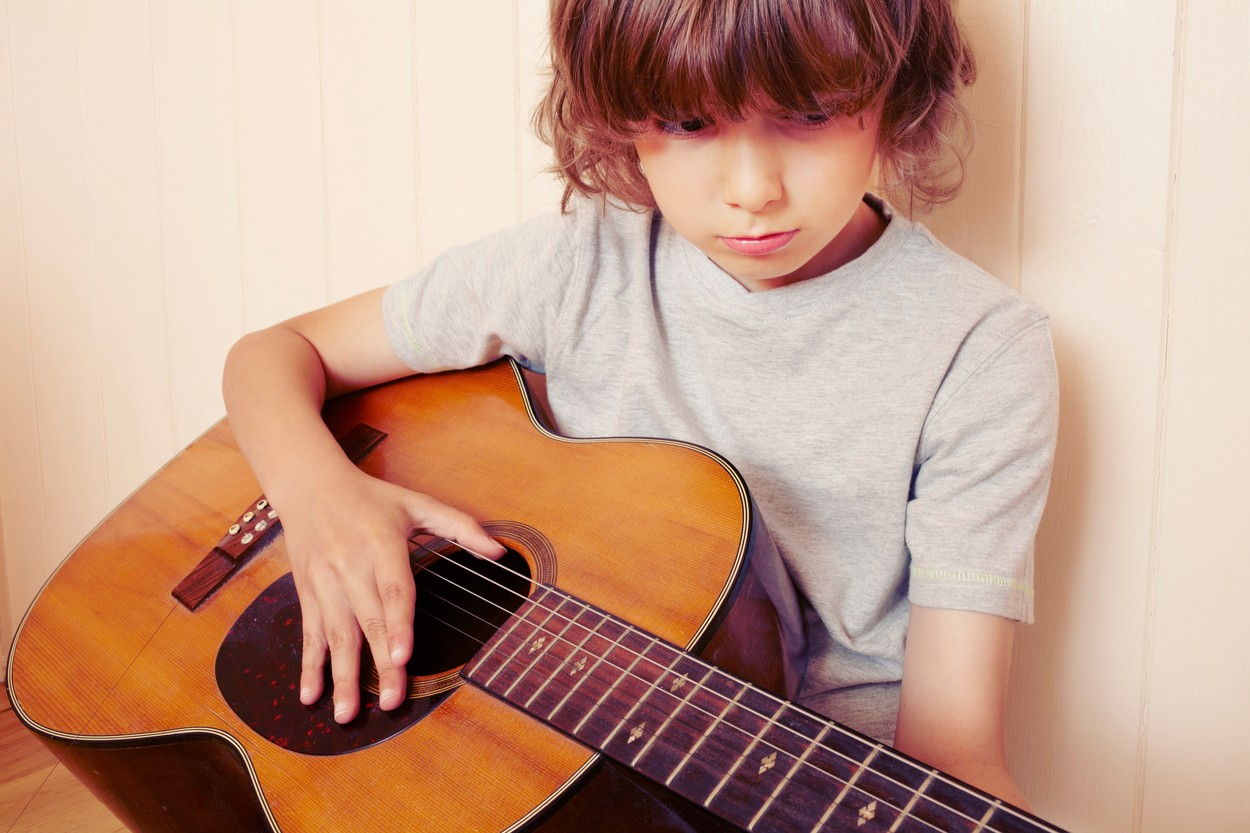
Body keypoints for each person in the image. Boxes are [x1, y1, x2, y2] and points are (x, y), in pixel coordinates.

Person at [223, 0, 1057, 816]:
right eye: (691, 123)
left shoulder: (981, 349)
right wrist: (320, 500)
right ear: (620, 116)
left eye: (809, 112)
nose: (753, 189)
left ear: (895, 96)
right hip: (525, 753)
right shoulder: (583, 262)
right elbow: (270, 354)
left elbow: (954, 757)